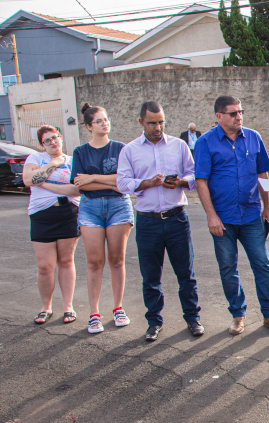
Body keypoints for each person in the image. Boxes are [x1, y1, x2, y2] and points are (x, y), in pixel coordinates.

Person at [194, 95, 269, 336]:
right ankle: (238, 314)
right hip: (222, 219)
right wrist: (211, 216)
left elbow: (262, 175)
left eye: (240, 112)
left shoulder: (253, 137)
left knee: (263, 266)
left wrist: (268, 207)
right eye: (233, 113)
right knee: (228, 268)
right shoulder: (205, 143)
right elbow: (200, 181)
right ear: (219, 116)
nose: (239, 117)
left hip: (252, 215)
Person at [117, 101, 204, 341]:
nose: (158, 127)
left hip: (176, 218)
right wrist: (147, 183)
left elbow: (195, 176)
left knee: (186, 273)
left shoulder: (179, 146)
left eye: (161, 121)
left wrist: (180, 182)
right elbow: (122, 183)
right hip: (147, 221)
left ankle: (192, 318)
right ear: (141, 122)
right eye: (152, 123)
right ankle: (154, 322)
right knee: (151, 276)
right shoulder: (130, 150)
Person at [71, 103, 133, 334]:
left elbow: (124, 182)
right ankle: (94, 314)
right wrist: (99, 180)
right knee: (94, 262)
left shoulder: (120, 148)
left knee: (116, 260)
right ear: (89, 126)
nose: (105, 123)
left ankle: (118, 308)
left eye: (106, 119)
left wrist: (92, 178)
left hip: (119, 206)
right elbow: (77, 183)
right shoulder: (80, 152)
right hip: (90, 208)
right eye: (99, 121)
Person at [22, 126, 81, 325]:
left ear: (61, 138)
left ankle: (67, 306)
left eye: (55, 137)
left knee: (66, 261)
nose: (53, 142)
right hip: (41, 215)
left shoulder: (73, 161)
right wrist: (55, 162)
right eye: (47, 140)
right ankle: (45, 307)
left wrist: (44, 183)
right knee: (45, 266)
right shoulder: (35, 159)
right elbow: (28, 179)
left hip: (68, 213)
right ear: (42, 145)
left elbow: (76, 190)